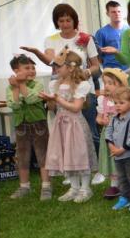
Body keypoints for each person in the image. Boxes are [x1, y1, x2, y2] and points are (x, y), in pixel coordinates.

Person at [21, 3, 101, 162]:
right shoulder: (51, 40)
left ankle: (97, 167)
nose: (65, 24)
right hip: (61, 89)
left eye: (68, 20)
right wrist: (37, 53)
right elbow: (51, 62)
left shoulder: (85, 38)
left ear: (74, 21)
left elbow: (96, 66)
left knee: (90, 129)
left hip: (84, 88)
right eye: (61, 20)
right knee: (66, 131)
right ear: (56, 22)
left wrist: (85, 72)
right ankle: (72, 167)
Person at [39, 49, 98, 203]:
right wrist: (49, 100)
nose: (56, 69)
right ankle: (74, 187)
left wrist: (57, 99)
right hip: (61, 124)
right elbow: (53, 108)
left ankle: (85, 188)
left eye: (59, 66)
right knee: (66, 153)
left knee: (79, 153)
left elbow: (76, 107)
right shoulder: (54, 84)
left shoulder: (82, 85)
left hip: (75, 124)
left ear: (70, 67)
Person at [6, 55, 51, 201]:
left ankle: (46, 186)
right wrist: (15, 87)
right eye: (27, 68)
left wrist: (20, 85)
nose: (31, 71)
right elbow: (14, 104)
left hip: (39, 124)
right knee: (22, 156)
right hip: (21, 125)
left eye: (33, 68)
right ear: (15, 70)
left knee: (42, 154)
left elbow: (31, 99)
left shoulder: (38, 85)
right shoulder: (9, 87)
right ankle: (24, 186)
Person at [97, 68, 130, 200]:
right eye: (105, 83)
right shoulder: (102, 100)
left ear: (120, 85)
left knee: (125, 158)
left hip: (122, 135)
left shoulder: (127, 102)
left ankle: (127, 183)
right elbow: (98, 117)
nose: (106, 86)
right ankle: (114, 184)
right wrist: (102, 121)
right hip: (108, 135)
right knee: (111, 159)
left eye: (110, 83)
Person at [104, 87, 130, 211]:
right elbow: (108, 132)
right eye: (115, 103)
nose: (118, 106)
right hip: (117, 154)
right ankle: (124, 197)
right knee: (121, 177)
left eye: (121, 103)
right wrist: (111, 146)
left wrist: (121, 150)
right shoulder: (114, 119)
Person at [95, 1, 128, 71]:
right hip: (111, 71)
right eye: (113, 12)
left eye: (119, 11)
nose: (117, 14)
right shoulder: (101, 33)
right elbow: (97, 56)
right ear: (107, 14)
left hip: (129, 69)